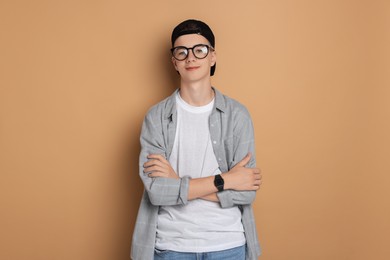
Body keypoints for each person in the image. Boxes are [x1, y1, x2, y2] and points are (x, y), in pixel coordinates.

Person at [131, 19, 262, 260]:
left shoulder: (237, 115)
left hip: (228, 244)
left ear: (212, 57)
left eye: (199, 50)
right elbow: (157, 192)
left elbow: (246, 193)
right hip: (172, 246)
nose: (190, 58)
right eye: (182, 52)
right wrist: (226, 180)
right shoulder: (156, 118)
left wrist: (177, 181)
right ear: (174, 62)